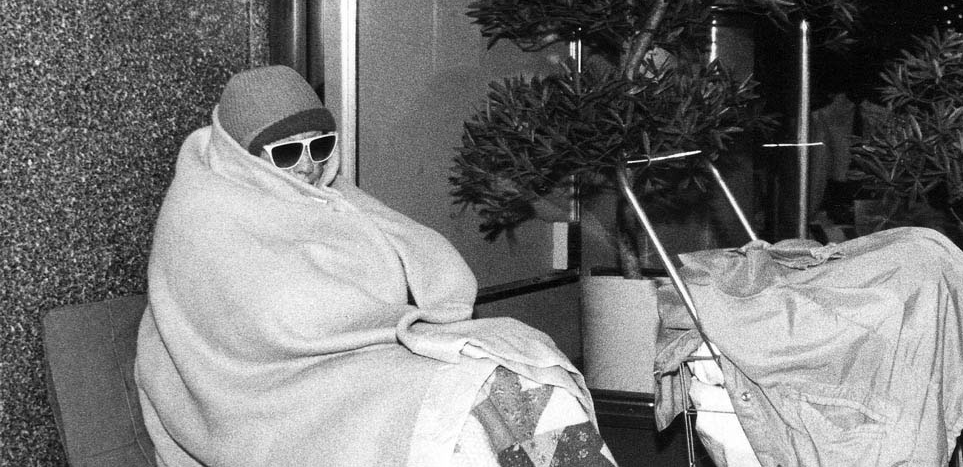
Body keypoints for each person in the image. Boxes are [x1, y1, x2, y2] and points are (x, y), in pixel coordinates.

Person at [135, 65, 615, 467]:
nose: (307, 164)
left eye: (320, 145)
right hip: (263, 397)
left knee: (516, 370)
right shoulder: (204, 209)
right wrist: (404, 325)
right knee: (466, 404)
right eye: (286, 151)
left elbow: (428, 260)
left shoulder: (326, 194)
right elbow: (277, 320)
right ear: (245, 155)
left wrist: (419, 326)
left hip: (349, 363)